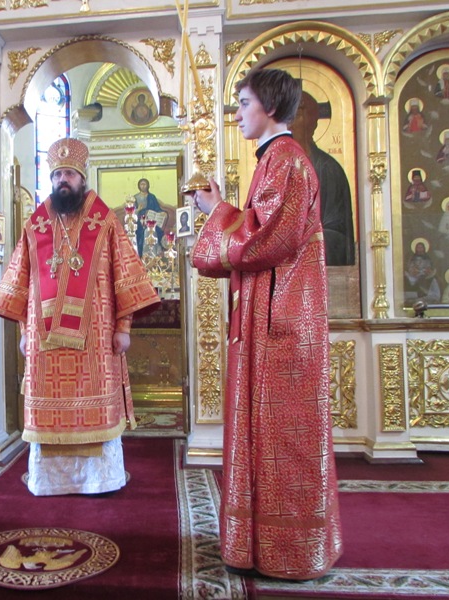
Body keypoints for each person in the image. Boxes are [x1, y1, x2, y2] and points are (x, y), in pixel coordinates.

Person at [186, 68, 342, 580]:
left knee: (282, 441)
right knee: (265, 435)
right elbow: (264, 231)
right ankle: (260, 544)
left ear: (270, 107)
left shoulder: (287, 160)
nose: (237, 114)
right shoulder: (276, 159)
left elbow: (268, 240)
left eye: (244, 103)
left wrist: (217, 212)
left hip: (284, 326)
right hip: (271, 319)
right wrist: (224, 211)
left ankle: (290, 550)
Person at [0, 138, 159, 496]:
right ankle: (50, 480)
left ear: (82, 177)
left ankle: (100, 480)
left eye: (69, 173)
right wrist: (24, 330)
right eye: (57, 175)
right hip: (44, 338)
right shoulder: (35, 224)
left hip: (96, 337)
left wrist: (123, 327)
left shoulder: (105, 220)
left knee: (97, 402)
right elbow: (21, 283)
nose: (62, 180)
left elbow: (125, 277)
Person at [290, 91, 355, 266]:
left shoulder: (328, 169)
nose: (289, 125)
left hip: (320, 268)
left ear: (311, 123)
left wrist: (297, 241)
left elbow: (339, 234)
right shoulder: (278, 166)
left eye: (296, 116)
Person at [134, 177, 170, 257]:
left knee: (156, 230)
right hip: (140, 221)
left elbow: (157, 208)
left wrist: (162, 212)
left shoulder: (152, 197)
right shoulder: (135, 197)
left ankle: (155, 254)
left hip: (151, 220)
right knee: (142, 232)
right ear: (139, 186)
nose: (143, 186)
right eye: (141, 184)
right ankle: (141, 254)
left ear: (148, 185)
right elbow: (132, 213)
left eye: (145, 184)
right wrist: (138, 209)